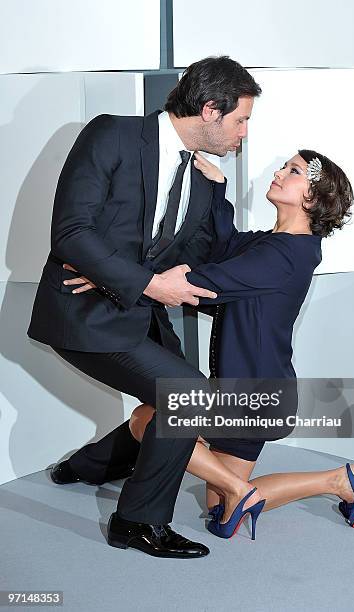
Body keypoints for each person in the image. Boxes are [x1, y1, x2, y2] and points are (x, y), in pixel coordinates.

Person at [27, 56, 262, 559]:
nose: (245, 132)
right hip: (81, 314)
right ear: (210, 110)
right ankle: (136, 523)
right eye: (241, 118)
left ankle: (85, 467)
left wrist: (217, 194)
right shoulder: (111, 134)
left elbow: (203, 254)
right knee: (187, 395)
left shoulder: (201, 176)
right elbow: (71, 232)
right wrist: (145, 282)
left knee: (171, 407)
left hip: (138, 316)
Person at [123, 150, 354, 538]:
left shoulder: (287, 254)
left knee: (144, 419)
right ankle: (340, 481)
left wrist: (118, 277)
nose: (279, 172)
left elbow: (204, 280)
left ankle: (241, 490)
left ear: (312, 198)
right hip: (257, 392)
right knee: (220, 511)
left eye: (293, 171)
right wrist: (217, 189)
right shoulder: (274, 244)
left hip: (253, 397)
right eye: (285, 166)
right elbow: (225, 244)